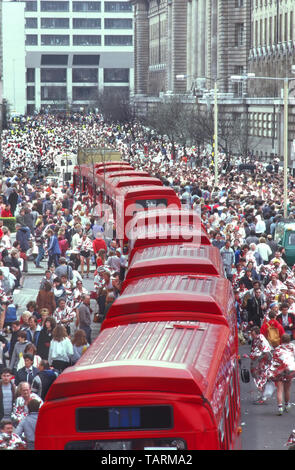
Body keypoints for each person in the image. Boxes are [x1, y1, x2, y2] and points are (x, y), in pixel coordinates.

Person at [268, 334, 295, 415]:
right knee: (287, 389)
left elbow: (274, 361)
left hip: (279, 371)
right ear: (289, 340)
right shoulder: (293, 347)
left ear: (281, 340)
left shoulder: (278, 349)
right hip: (289, 370)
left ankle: (280, 407)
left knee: (279, 389)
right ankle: (287, 405)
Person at [249, 326, 273, 404]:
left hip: (262, 363)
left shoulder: (261, 340)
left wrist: (259, 361)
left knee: (261, 379)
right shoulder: (256, 339)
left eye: (253, 334)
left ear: (257, 333)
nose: (252, 336)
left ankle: (263, 398)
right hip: (258, 362)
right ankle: (262, 396)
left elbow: (266, 353)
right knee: (259, 379)